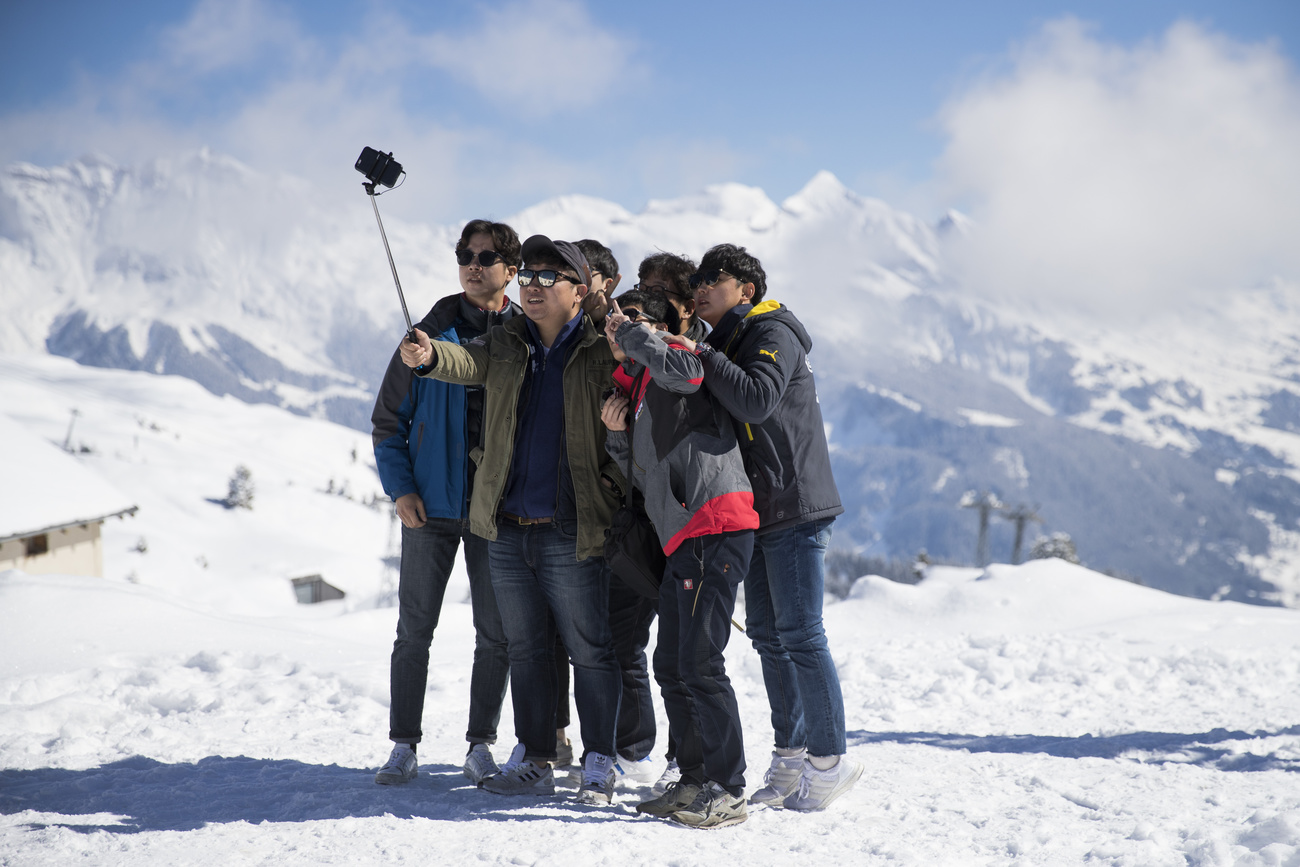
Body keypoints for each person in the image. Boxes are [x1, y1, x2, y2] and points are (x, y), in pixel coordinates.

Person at [399, 234, 625, 806]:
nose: (533, 284)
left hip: (571, 525)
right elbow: (463, 362)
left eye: (550, 277)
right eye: (528, 274)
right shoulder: (507, 343)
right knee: (525, 648)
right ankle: (534, 755)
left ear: (579, 290)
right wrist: (428, 357)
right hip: (505, 525)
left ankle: (600, 758)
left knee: (590, 648)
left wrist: (608, 488)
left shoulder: (603, 350)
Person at [664, 243, 862, 812]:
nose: (700, 286)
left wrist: (701, 348)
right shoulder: (727, 339)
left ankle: (829, 760)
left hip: (796, 503)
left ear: (745, 289)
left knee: (800, 633)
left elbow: (755, 400)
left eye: (713, 278)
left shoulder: (771, 330)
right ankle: (790, 757)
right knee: (772, 639)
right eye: (695, 279)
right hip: (760, 508)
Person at [370, 219, 522, 786]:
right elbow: (388, 421)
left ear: (511, 268)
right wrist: (401, 488)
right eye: (465, 254)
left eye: (486, 256)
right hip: (429, 508)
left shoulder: (526, 333)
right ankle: (403, 744)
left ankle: (479, 744)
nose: (473, 263)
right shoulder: (423, 337)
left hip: (497, 509)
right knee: (414, 630)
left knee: (497, 633)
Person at [600, 289, 760, 829]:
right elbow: (646, 480)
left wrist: (638, 333)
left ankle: (729, 788)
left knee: (700, 662)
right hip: (682, 538)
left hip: (716, 526)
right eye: (613, 322)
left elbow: (689, 371)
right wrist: (617, 437)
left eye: (633, 318)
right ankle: (693, 778)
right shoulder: (641, 388)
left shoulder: (678, 358)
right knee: (671, 663)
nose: (618, 328)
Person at [636, 252, 708, 341]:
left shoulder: (711, 351)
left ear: (687, 309)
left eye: (658, 293)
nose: (644, 301)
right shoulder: (623, 339)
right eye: (642, 291)